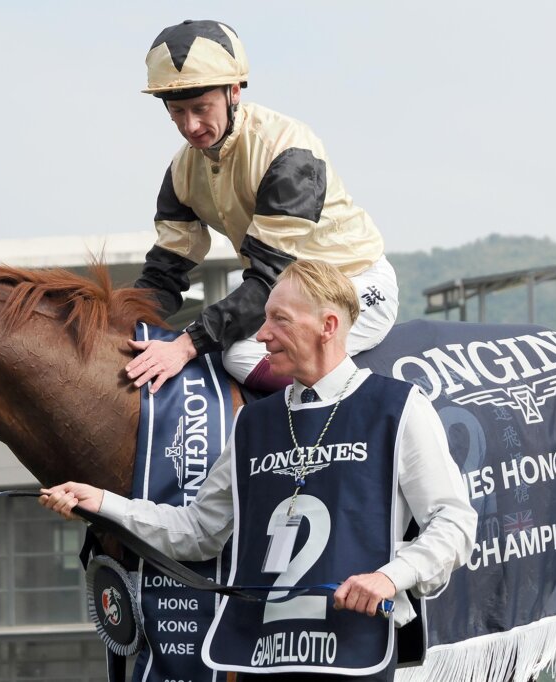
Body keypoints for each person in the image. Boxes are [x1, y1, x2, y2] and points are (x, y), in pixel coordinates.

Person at [42, 260, 476, 681]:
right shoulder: (252, 422)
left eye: (279, 320)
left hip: (351, 656)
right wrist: (101, 503)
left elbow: (455, 524)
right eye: (263, 319)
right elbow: (198, 531)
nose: (262, 335)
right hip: (257, 659)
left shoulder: (399, 406)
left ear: (327, 326)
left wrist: (389, 577)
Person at [127, 19, 399, 394]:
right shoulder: (182, 171)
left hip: (354, 285)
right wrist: (118, 319)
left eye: (201, 108)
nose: (190, 126)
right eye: (177, 112)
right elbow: (164, 274)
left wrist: (186, 345)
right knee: (229, 347)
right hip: (290, 296)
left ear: (233, 92)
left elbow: (269, 275)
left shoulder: (288, 151)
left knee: (239, 353)